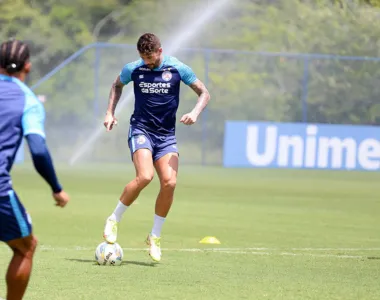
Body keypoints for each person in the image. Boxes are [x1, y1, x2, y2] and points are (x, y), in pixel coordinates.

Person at [102, 33, 210, 262]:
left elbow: (204, 93)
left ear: (160, 51)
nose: (147, 63)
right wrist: (110, 112)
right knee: (145, 176)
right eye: (143, 59)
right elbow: (116, 85)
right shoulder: (134, 68)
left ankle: (155, 236)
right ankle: (114, 218)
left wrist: (194, 113)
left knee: (170, 182)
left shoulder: (178, 68)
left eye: (150, 58)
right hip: (141, 130)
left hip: (166, 135)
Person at [0, 39, 70, 300]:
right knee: (26, 247)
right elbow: (38, 151)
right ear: (27, 67)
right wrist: (57, 189)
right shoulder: (28, 101)